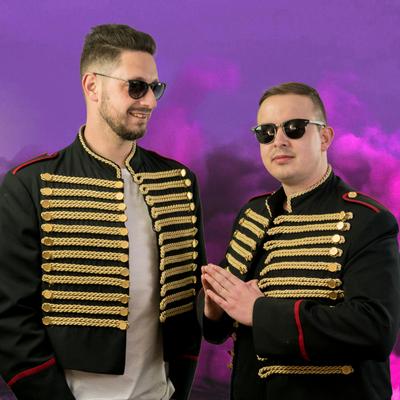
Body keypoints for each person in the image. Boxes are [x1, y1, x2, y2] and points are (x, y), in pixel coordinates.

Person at [0, 24, 206, 400]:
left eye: (156, 88)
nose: (150, 101)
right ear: (92, 86)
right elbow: (10, 318)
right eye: (136, 87)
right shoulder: (30, 185)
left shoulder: (178, 182)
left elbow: (188, 305)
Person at [198, 82, 400, 399]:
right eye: (266, 132)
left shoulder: (368, 220)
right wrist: (214, 307)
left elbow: (375, 328)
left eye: (294, 128)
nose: (279, 140)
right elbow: (222, 317)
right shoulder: (253, 214)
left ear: (325, 137)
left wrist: (260, 312)